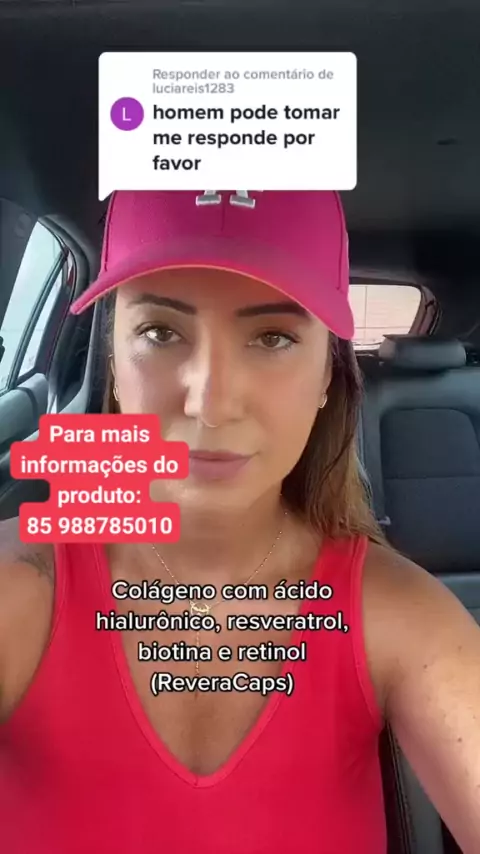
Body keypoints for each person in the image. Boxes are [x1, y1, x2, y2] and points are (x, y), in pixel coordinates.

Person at [0, 189, 479, 854]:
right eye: (161, 332)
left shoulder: (402, 618)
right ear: (111, 357)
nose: (211, 401)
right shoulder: (23, 580)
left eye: (273, 337)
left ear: (327, 375)